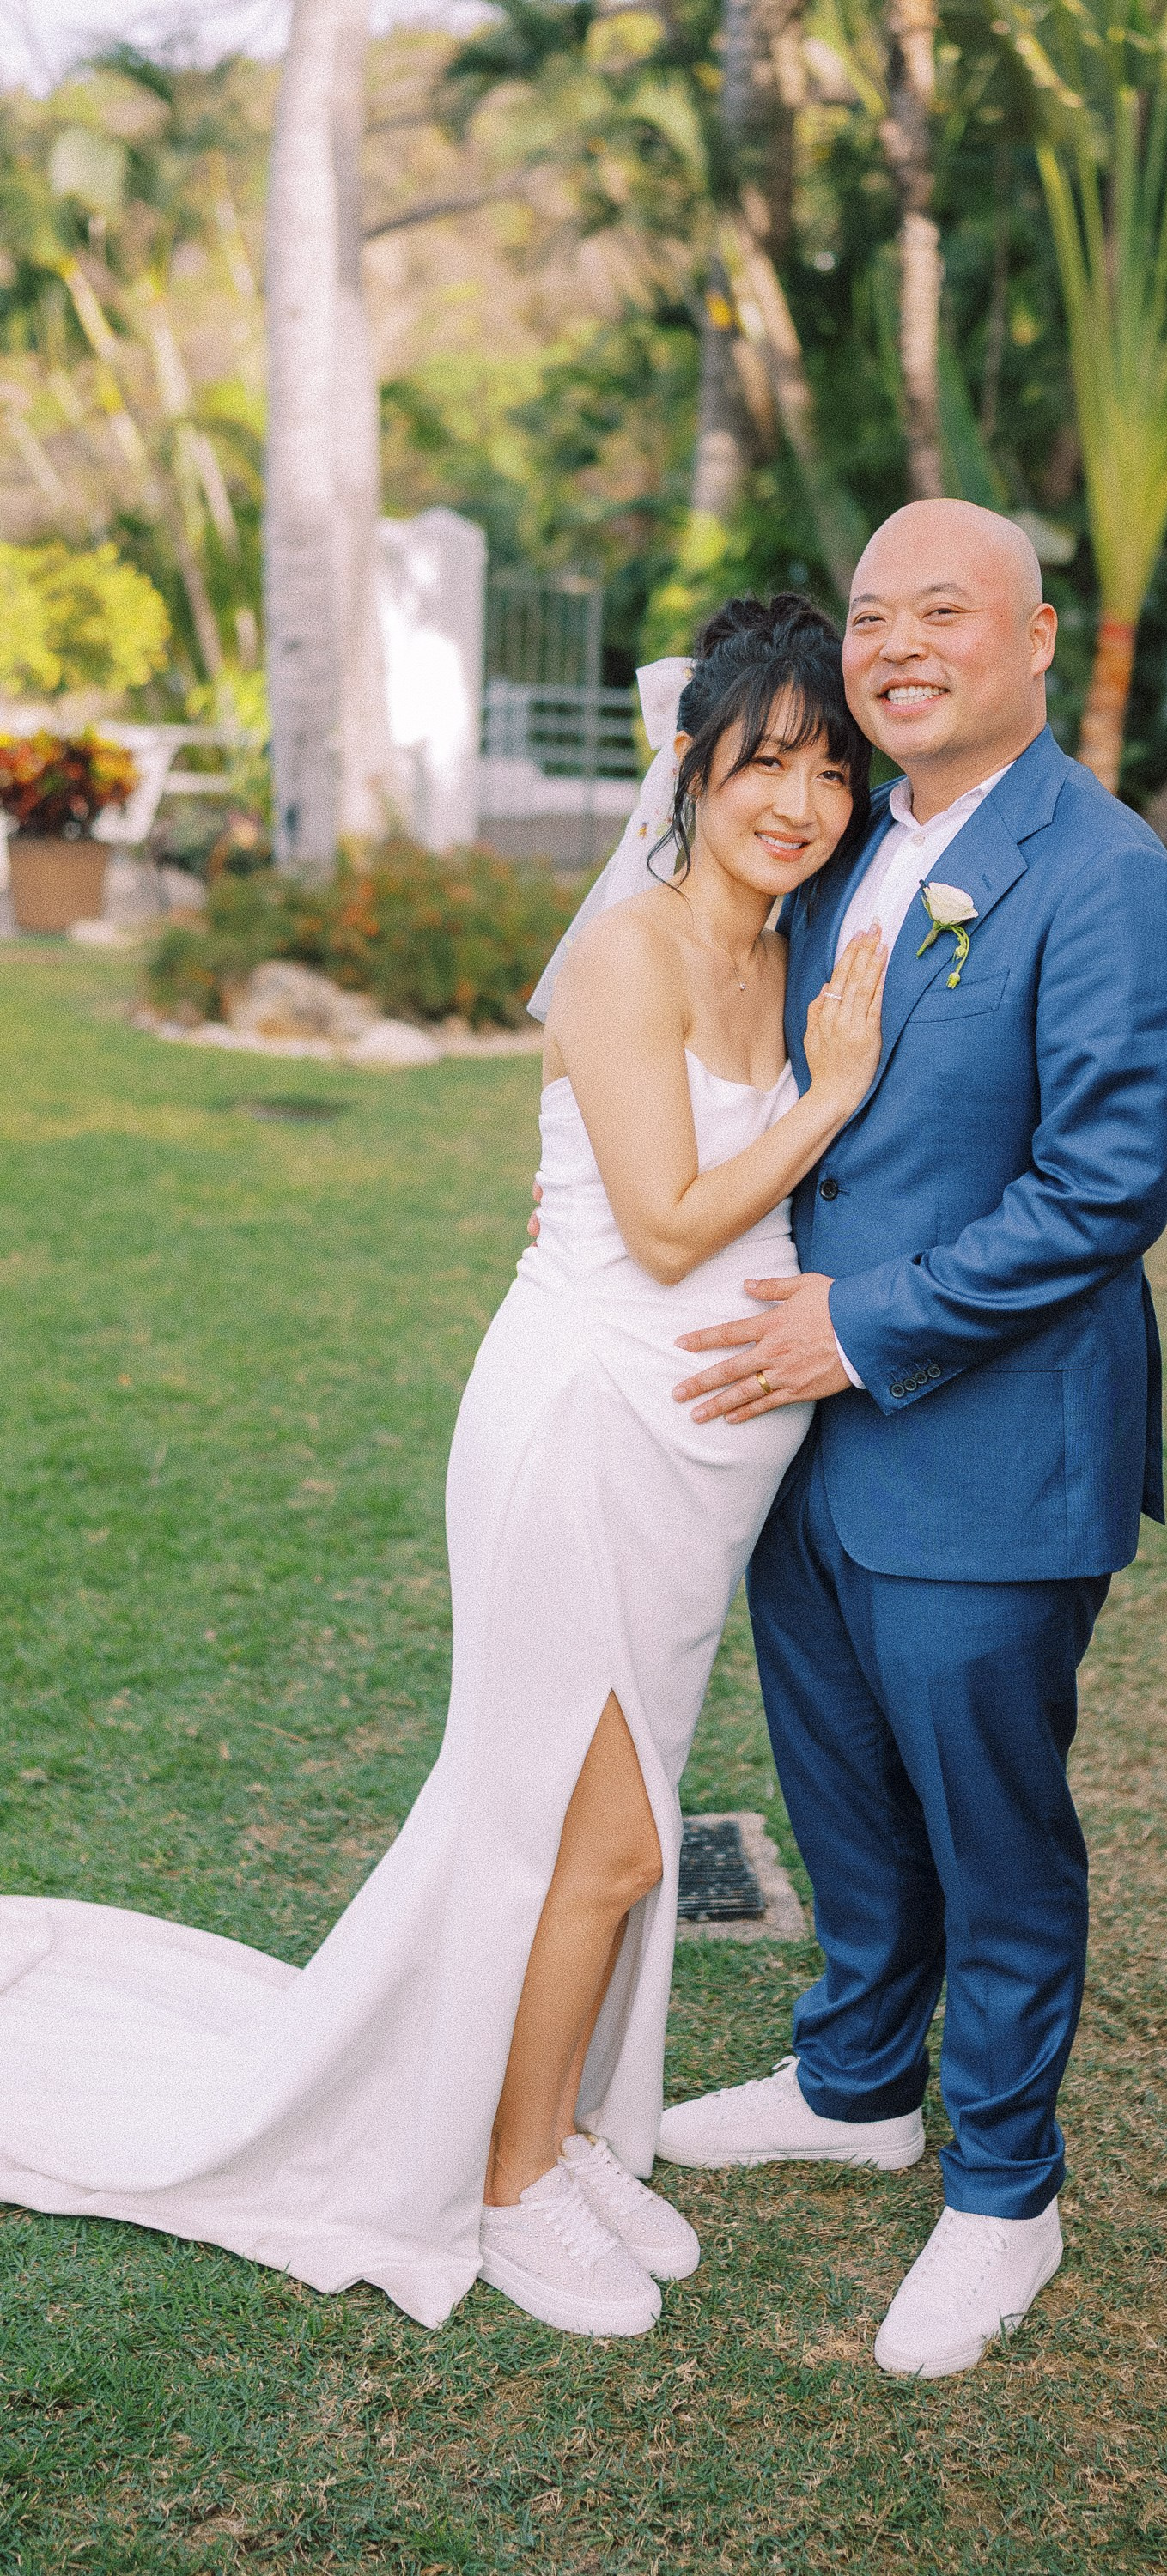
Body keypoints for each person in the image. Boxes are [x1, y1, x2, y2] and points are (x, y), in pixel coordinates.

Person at [0, 596, 884, 2339]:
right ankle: (504, 2180)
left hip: (705, 1463)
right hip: (583, 1428)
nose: (797, 797)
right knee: (591, 1838)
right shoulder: (629, 951)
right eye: (766, 757)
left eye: (829, 769)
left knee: (581, 1834)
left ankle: (550, 2136)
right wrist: (831, 1094)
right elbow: (663, 1220)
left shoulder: (787, 949)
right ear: (693, 761)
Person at [659, 500, 1167, 2379]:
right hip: (801, 1445)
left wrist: (859, 1326)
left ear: (1035, 637)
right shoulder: (841, 848)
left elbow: (1104, 1190)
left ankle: (1002, 2192)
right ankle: (852, 2085)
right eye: (873, 614)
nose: (897, 643)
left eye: (942, 612)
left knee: (992, 1832)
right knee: (837, 1791)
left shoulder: (1102, 872)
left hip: (985, 1448)